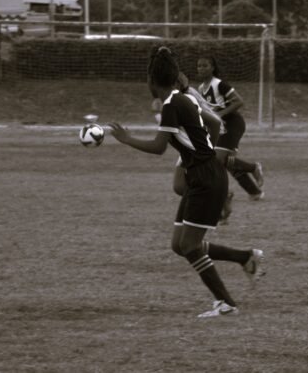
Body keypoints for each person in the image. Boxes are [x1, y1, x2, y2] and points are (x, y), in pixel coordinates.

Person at [108, 46, 264, 318]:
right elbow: (213, 122)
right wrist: (203, 150)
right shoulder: (184, 98)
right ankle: (245, 257)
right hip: (201, 175)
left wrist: (126, 139)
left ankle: (226, 303)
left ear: (151, 81)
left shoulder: (171, 105)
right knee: (179, 244)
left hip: (205, 179)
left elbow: (159, 147)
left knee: (190, 246)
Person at [195, 55, 264, 201]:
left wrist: (220, 114)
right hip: (220, 127)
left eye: (205, 65)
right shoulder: (201, 88)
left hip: (233, 124)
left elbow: (239, 101)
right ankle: (254, 192)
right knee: (229, 162)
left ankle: (253, 168)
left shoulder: (219, 84)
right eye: (199, 66)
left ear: (212, 68)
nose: (201, 68)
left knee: (218, 159)